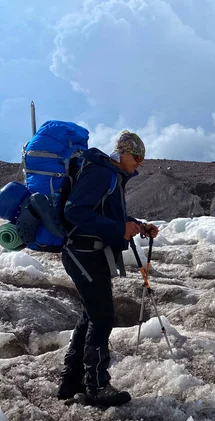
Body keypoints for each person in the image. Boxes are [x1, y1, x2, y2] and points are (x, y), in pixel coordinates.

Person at [57, 130, 159, 406]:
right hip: (82, 253)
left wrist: (137, 226)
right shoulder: (101, 173)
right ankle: (96, 385)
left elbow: (108, 214)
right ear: (123, 153)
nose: (139, 162)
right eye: (137, 156)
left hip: (89, 253)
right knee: (102, 318)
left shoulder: (110, 175)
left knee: (91, 316)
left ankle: (71, 381)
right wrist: (118, 228)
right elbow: (74, 212)